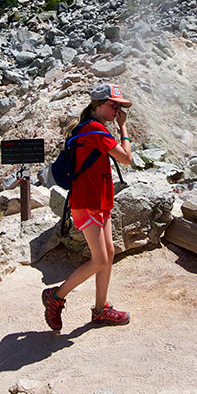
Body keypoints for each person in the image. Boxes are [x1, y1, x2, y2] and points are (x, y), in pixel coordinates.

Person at [42, 84, 134, 331]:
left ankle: (101, 309)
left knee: (109, 252)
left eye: (119, 106)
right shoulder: (95, 129)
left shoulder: (92, 128)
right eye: (113, 105)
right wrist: (123, 128)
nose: (117, 110)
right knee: (100, 259)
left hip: (98, 201)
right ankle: (56, 297)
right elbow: (126, 158)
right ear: (98, 105)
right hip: (87, 203)